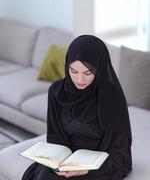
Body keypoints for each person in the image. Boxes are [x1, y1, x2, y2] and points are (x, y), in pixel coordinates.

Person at [22, 35, 132, 180]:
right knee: (44, 176)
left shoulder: (112, 98)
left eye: (88, 73)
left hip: (96, 164)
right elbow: (55, 137)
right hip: (65, 160)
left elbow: (119, 154)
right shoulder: (56, 92)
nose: (79, 80)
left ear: (99, 69)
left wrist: (85, 170)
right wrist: (58, 162)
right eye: (73, 71)